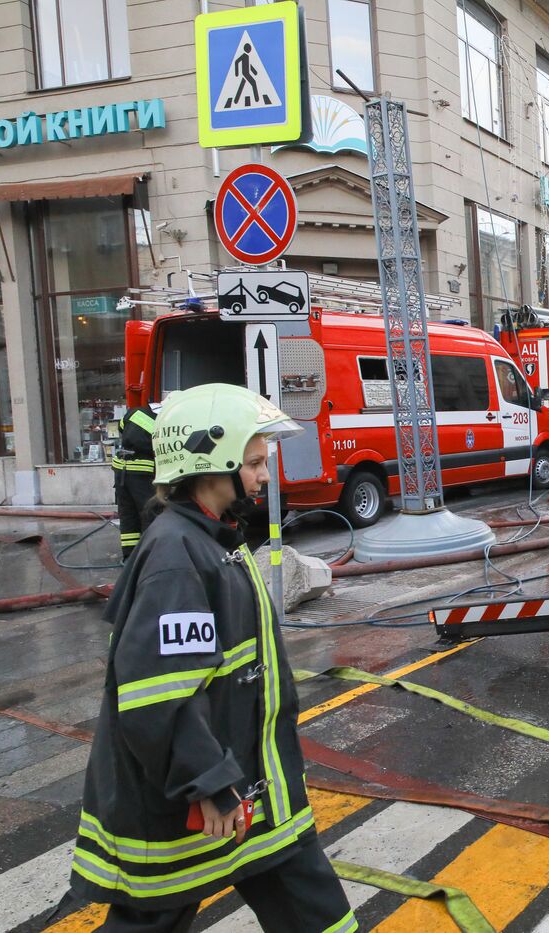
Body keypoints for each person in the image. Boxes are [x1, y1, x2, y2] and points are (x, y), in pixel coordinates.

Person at [71, 384, 355, 933]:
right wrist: (210, 782)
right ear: (210, 466)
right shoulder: (178, 554)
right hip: (207, 788)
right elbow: (161, 692)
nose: (263, 477)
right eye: (252, 464)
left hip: (247, 781)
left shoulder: (209, 538)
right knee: (153, 917)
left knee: (313, 908)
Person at [112, 403, 159, 560]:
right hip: (143, 472)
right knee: (149, 513)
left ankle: (129, 557)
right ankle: (148, 557)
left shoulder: (134, 412)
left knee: (127, 515)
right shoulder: (163, 419)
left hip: (121, 470)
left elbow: (121, 427)